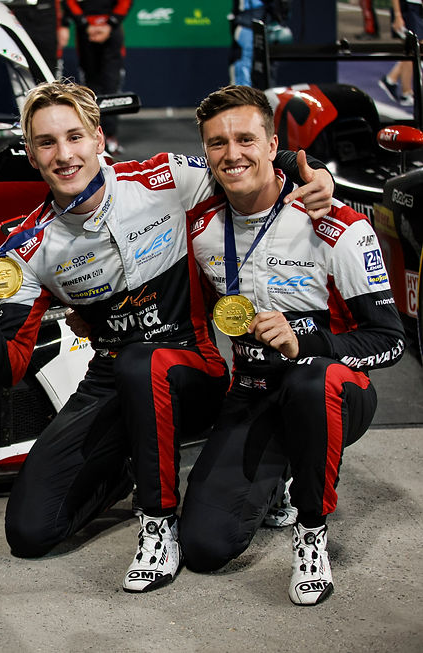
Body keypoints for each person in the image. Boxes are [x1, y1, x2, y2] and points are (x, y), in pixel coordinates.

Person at [0, 80, 334, 593]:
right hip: (113, 377)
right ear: (31, 154)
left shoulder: (163, 177)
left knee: (144, 363)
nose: (64, 155)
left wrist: (311, 171)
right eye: (46, 143)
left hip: (199, 367)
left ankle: (164, 519)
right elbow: (10, 368)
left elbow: (240, 163)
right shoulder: (26, 246)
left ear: (98, 138)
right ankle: (134, 463)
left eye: (74, 137)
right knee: (31, 531)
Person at [180, 85, 405, 606]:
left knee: (311, 379)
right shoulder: (202, 227)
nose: (232, 154)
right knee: (205, 546)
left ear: (273, 142)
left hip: (335, 389)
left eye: (245, 139)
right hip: (254, 390)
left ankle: (312, 531)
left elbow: (389, 340)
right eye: (217, 144)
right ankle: (277, 472)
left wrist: (307, 339)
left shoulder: (336, 225)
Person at [61, 0, 130, 154]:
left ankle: (111, 136)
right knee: (90, 89)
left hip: (112, 35)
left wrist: (110, 25)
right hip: (85, 34)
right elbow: (69, 2)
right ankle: (92, 135)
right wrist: (85, 24)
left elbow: (125, 2)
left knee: (111, 86)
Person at [379, 0, 421, 106]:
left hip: (416, 8)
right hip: (407, 8)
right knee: (413, 50)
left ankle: (391, 79)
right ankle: (405, 93)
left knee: (416, 50)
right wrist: (398, 15)